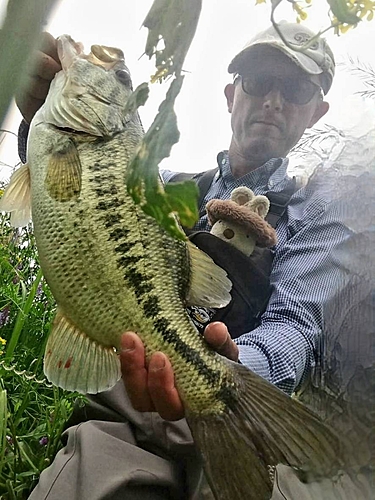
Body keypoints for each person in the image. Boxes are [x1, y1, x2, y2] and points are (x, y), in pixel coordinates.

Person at [17, 22, 352, 500]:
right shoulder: (159, 184)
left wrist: (227, 369)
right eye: (259, 81)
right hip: (125, 421)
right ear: (231, 94)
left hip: (237, 428)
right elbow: (67, 204)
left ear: (316, 111)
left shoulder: (316, 217)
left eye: (296, 88)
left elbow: (295, 325)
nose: (274, 100)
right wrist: (36, 124)